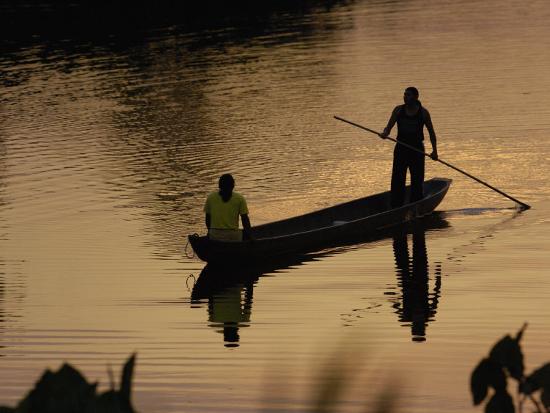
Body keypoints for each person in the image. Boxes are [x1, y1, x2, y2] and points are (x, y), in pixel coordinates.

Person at [381, 87, 438, 207]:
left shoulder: (423, 113)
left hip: (417, 150)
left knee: (417, 179)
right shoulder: (398, 110)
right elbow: (388, 127)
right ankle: (396, 205)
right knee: (397, 178)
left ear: (416, 97)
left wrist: (435, 151)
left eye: (408, 95)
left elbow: (431, 133)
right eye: (404, 95)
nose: (405, 97)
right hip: (401, 148)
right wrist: (385, 133)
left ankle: (416, 203)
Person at [204, 174, 254, 241]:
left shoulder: (211, 198)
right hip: (232, 236)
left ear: (219, 186)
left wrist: (210, 232)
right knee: (244, 234)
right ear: (233, 186)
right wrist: (250, 237)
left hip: (215, 235)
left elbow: (207, 219)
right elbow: (245, 220)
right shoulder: (239, 199)